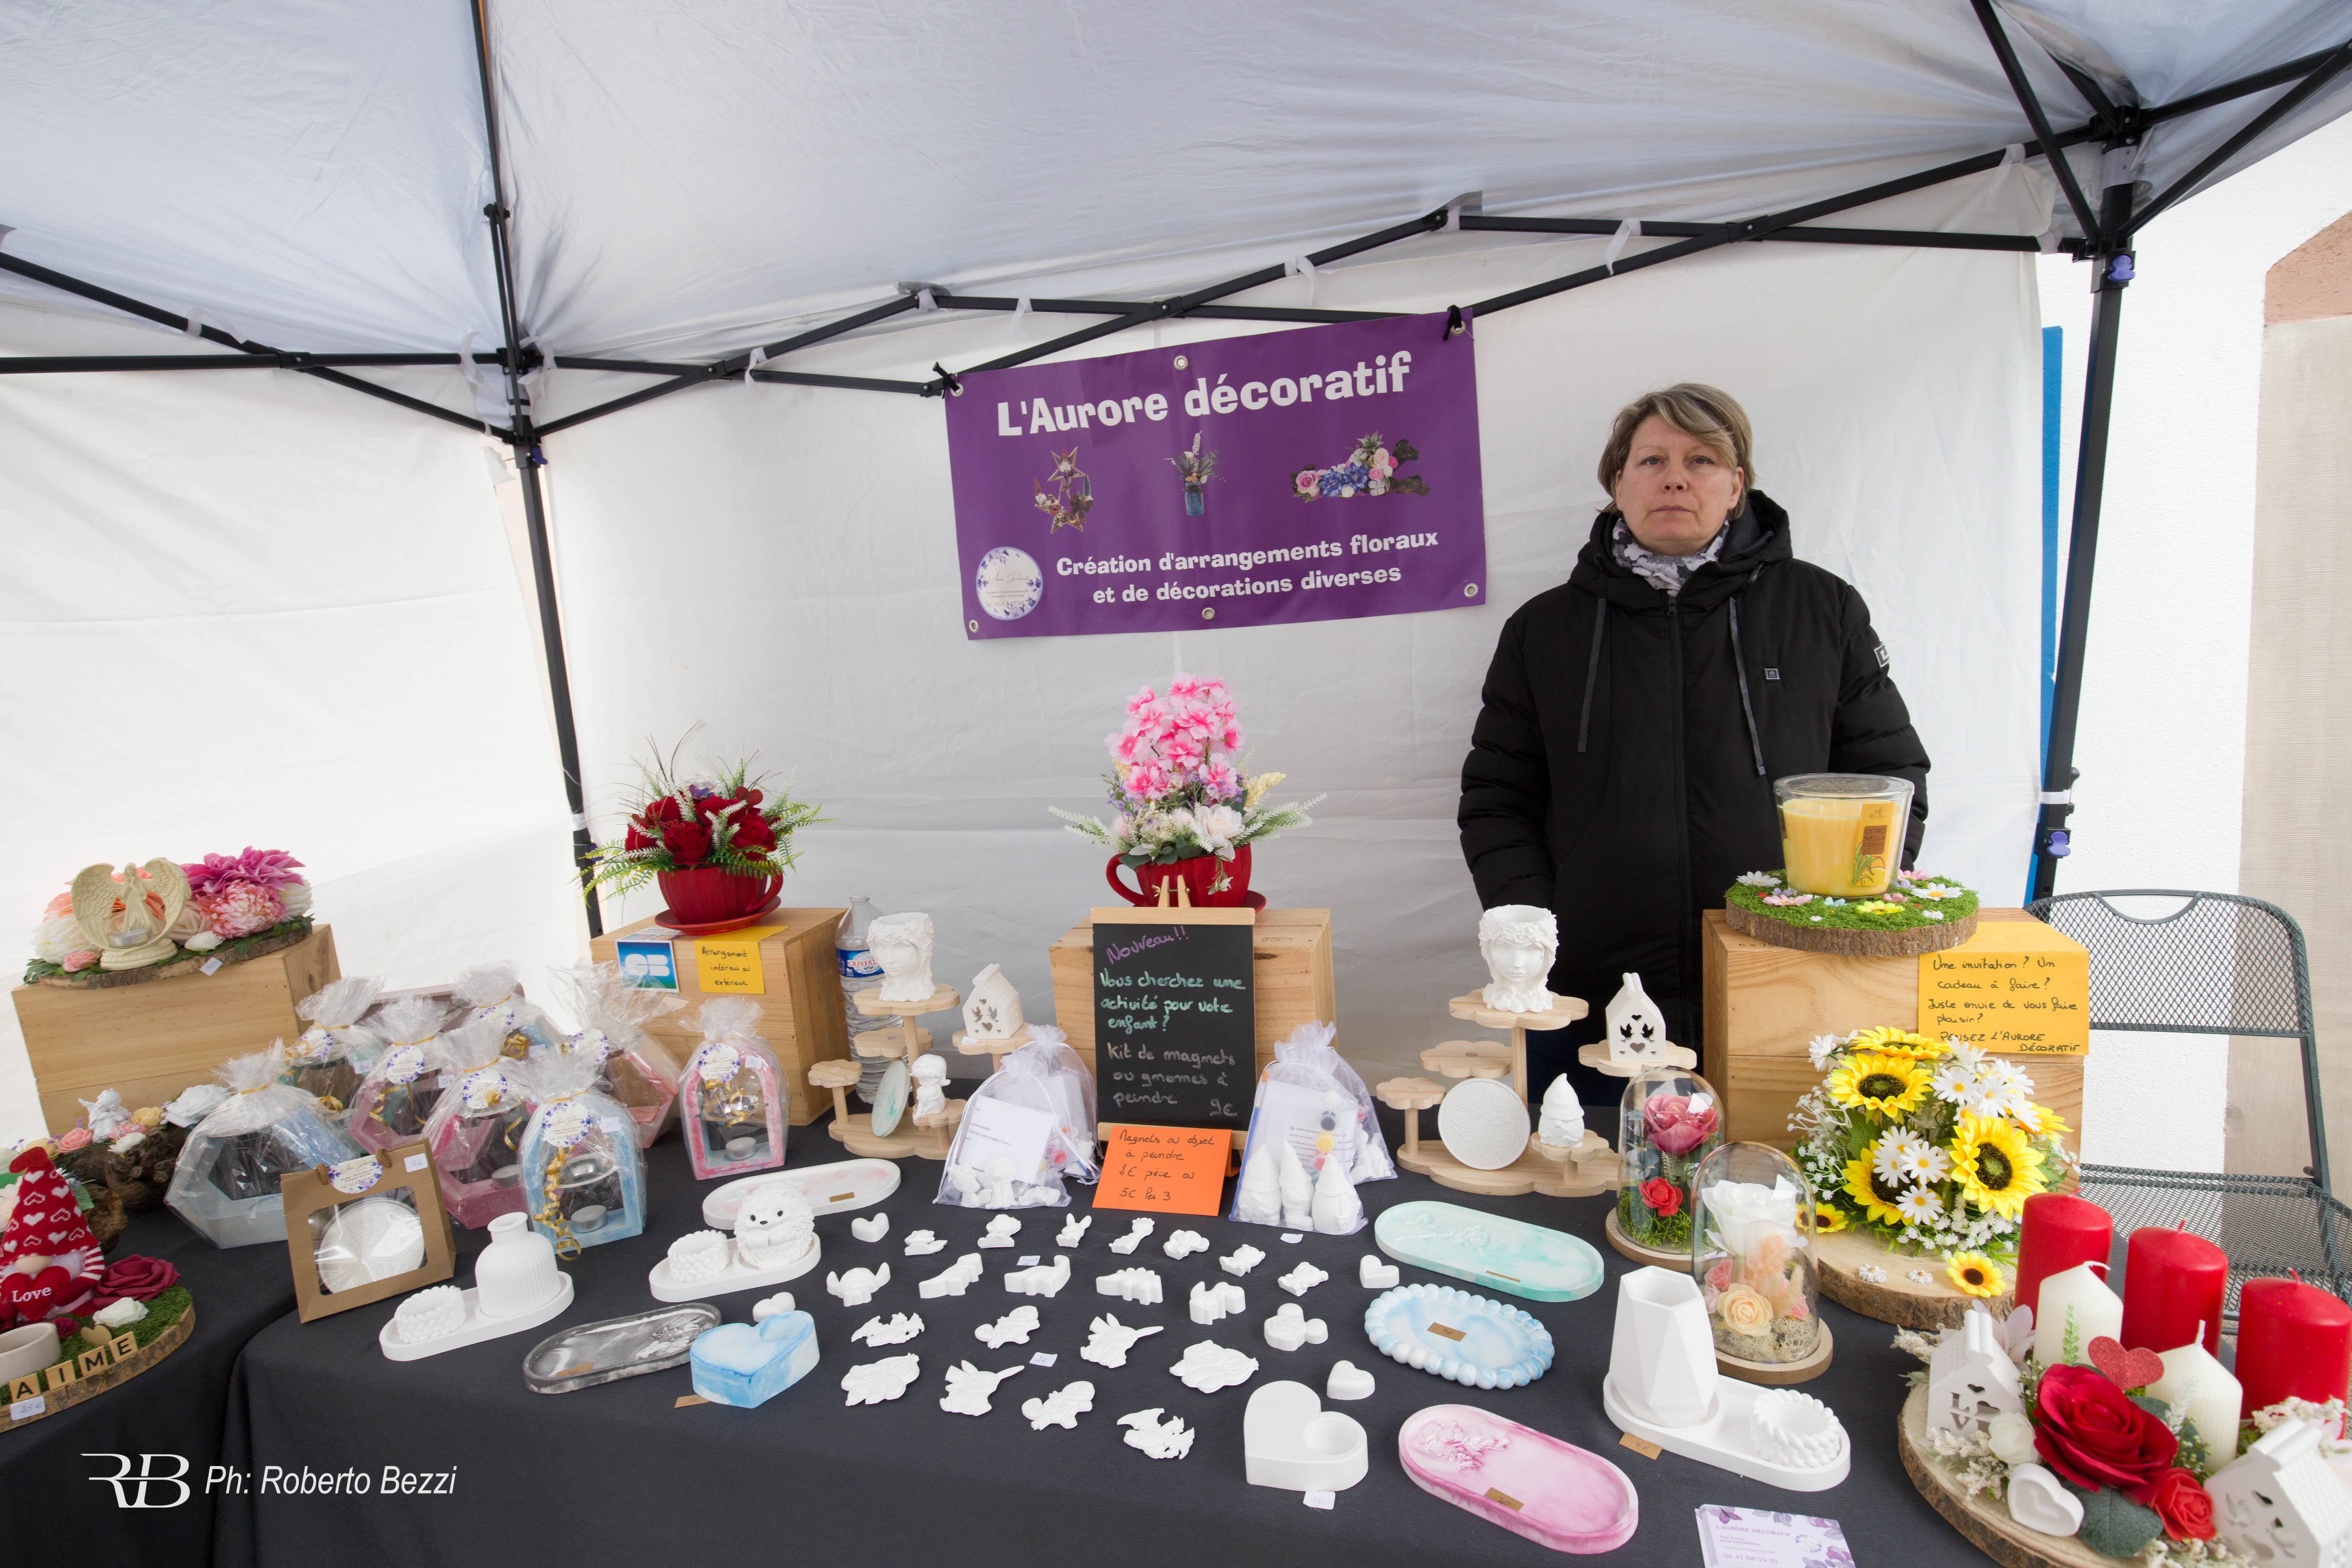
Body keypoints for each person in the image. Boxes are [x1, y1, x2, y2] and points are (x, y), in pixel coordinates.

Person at [1458, 383, 1928, 1111]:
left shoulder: (1822, 609)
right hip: (1590, 995)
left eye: (1701, 460)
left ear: (1736, 486)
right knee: (1589, 1165)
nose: (1675, 478)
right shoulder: (1544, 630)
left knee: (1770, 1174)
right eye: (1652, 460)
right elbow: (1497, 799)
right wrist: (1535, 934)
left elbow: (1888, 781)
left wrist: (1842, 922)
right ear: (1618, 485)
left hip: (1782, 982)